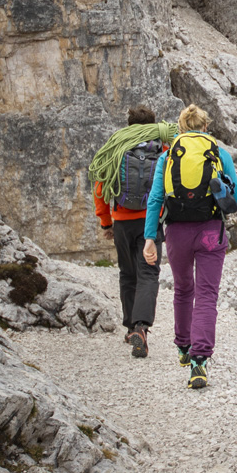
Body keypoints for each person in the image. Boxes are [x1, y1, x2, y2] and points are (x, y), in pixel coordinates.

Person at [143, 103, 237, 389]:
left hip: (176, 233)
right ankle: (199, 362)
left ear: (181, 128)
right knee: (207, 295)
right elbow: (235, 197)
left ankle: (184, 348)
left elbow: (155, 199)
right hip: (211, 231)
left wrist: (150, 238)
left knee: (184, 288)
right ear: (206, 127)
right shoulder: (219, 153)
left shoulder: (169, 155)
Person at [90, 106, 177, 358]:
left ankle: (130, 327)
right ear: (152, 123)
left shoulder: (116, 148)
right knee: (148, 273)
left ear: (129, 124)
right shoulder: (162, 149)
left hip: (122, 222)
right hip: (151, 221)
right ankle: (142, 327)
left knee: (127, 274)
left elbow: (99, 187)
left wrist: (106, 222)